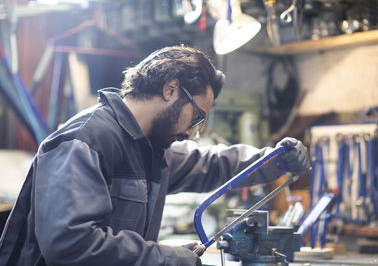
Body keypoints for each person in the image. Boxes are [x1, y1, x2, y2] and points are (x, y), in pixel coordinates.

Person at [0, 45, 310, 266]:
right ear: (171, 89)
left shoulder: (150, 148)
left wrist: (277, 159)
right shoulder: (88, 139)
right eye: (197, 117)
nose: (192, 131)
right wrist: (166, 257)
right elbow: (70, 245)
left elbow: (214, 163)